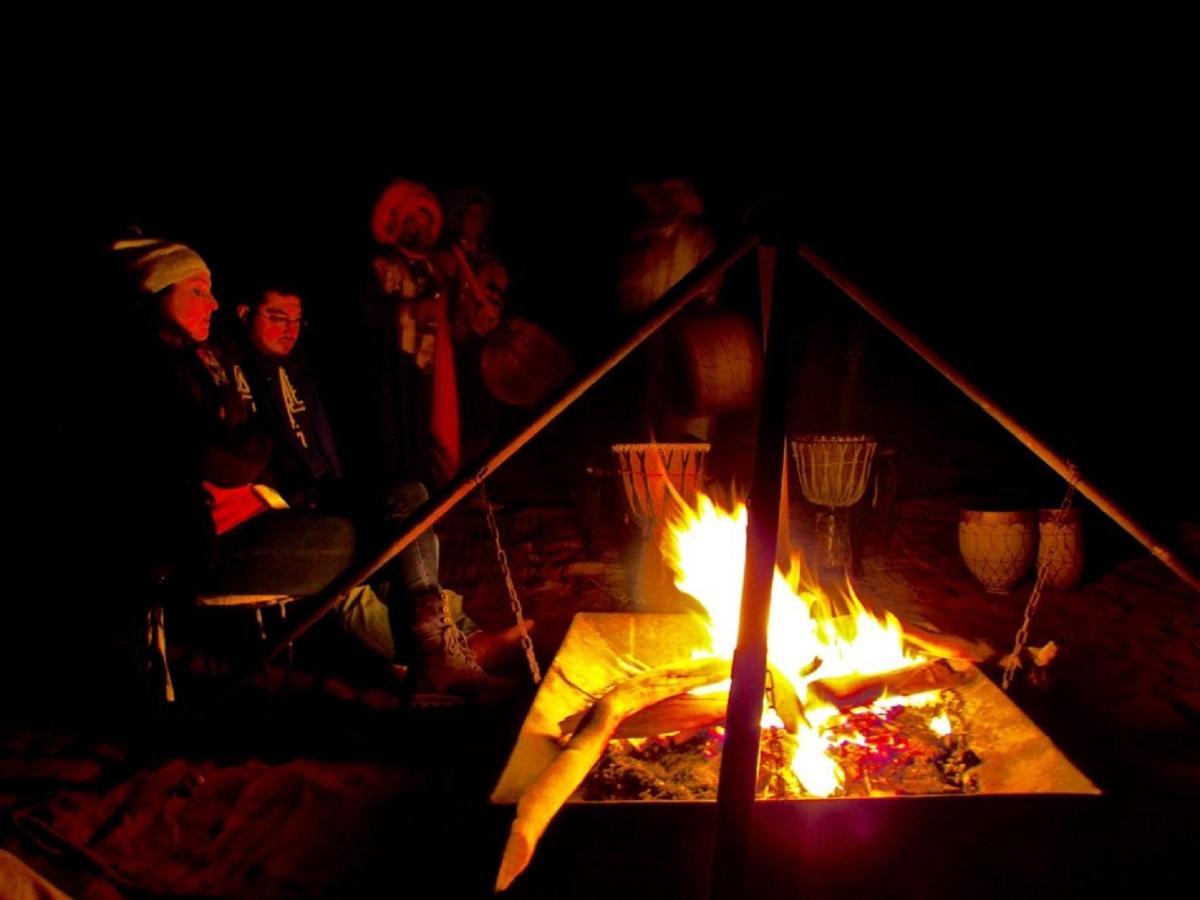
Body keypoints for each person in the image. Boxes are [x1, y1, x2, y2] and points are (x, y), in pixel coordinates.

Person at [110, 236, 505, 700]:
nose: (212, 302)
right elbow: (233, 459)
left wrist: (241, 441)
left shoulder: (197, 367)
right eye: (197, 289)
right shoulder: (146, 374)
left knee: (407, 498)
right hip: (209, 551)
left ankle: (440, 650)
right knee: (393, 535)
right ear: (156, 291)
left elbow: (245, 445)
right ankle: (440, 655)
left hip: (255, 522)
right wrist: (241, 442)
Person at [231, 283, 533, 670]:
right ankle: (447, 654)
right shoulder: (236, 373)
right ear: (244, 314)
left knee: (409, 499)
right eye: (276, 318)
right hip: (281, 509)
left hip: (319, 492)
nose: (289, 329)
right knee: (369, 564)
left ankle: (461, 637)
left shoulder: (295, 366)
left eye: (296, 320)